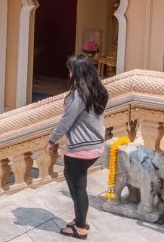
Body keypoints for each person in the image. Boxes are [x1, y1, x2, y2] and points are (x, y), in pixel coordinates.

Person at [46, 53, 108, 239]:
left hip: (80, 148)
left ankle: (81, 227)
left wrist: (52, 140)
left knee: (78, 186)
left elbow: (67, 121)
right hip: (95, 145)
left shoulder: (80, 95)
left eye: (70, 69)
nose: (69, 72)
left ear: (77, 71)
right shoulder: (98, 90)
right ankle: (80, 218)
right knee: (73, 180)